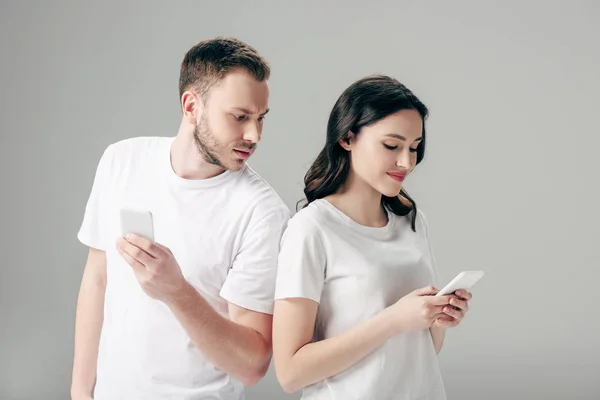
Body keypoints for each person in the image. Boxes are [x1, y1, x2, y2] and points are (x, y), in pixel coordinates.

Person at [70, 37, 291, 400]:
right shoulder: (121, 160)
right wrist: (80, 394)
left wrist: (176, 292)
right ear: (192, 106)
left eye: (260, 118)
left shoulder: (262, 213)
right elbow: (97, 279)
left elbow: (252, 364)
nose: (254, 136)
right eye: (240, 117)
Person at [272, 75, 474, 399]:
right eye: (392, 146)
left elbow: (423, 352)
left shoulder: (412, 221)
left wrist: (438, 317)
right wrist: (393, 320)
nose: (406, 162)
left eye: (414, 147)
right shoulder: (311, 229)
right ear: (347, 138)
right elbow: (290, 372)